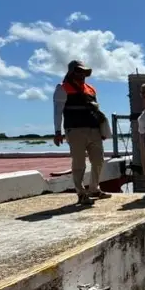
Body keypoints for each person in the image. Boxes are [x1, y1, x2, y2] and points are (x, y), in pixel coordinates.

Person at [52, 60, 110, 206]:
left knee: (98, 160)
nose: (82, 74)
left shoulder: (91, 89)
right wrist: (58, 131)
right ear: (72, 72)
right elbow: (58, 112)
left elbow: (96, 110)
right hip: (75, 130)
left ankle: (94, 188)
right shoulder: (62, 88)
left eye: (84, 72)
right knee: (79, 163)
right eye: (79, 71)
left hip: (94, 130)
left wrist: (102, 130)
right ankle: (81, 193)